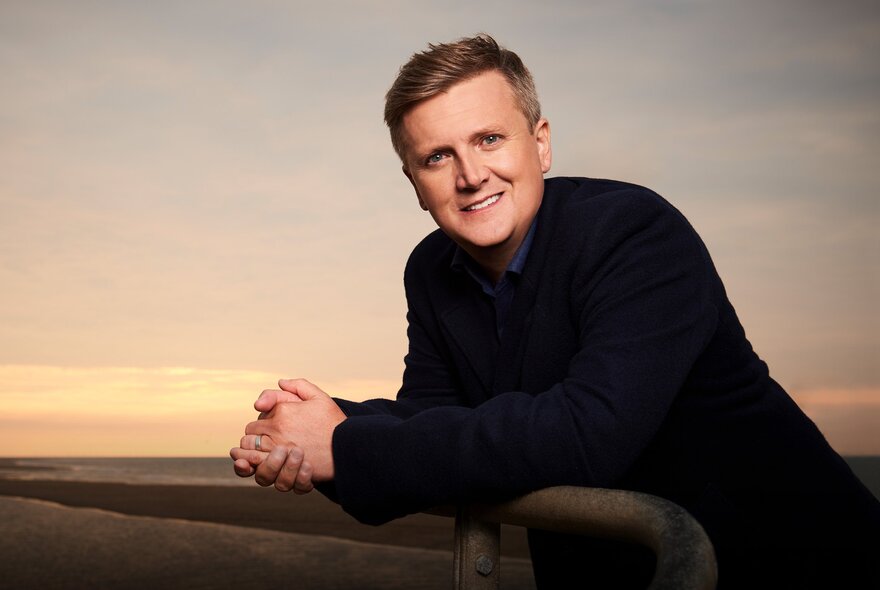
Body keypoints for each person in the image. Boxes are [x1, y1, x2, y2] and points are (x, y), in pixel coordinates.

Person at [230, 34, 879, 588]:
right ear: (413, 181)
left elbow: (584, 435)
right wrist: (319, 428)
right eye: (437, 156)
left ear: (540, 144)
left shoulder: (637, 233)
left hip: (784, 560)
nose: (470, 174)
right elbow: (438, 423)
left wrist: (343, 446)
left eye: (488, 139)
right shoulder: (430, 269)